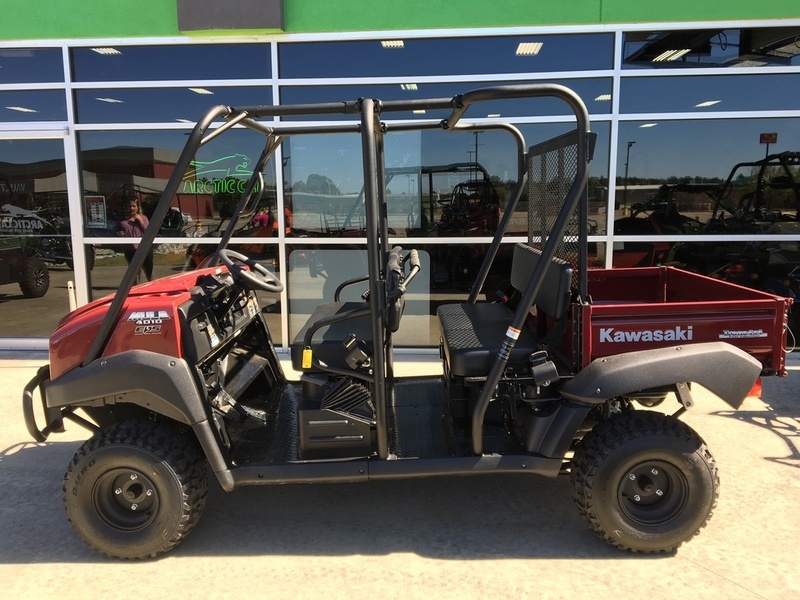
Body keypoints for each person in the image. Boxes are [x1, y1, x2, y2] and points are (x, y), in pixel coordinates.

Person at [113, 198, 153, 282]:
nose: (131, 208)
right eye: (129, 206)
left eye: (134, 206)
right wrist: (119, 233)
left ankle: (152, 286)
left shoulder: (144, 218)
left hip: (144, 248)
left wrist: (140, 221)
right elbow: (114, 230)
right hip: (130, 249)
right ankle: (135, 288)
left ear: (138, 207)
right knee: (134, 272)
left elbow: (149, 232)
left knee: (148, 271)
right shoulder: (122, 220)